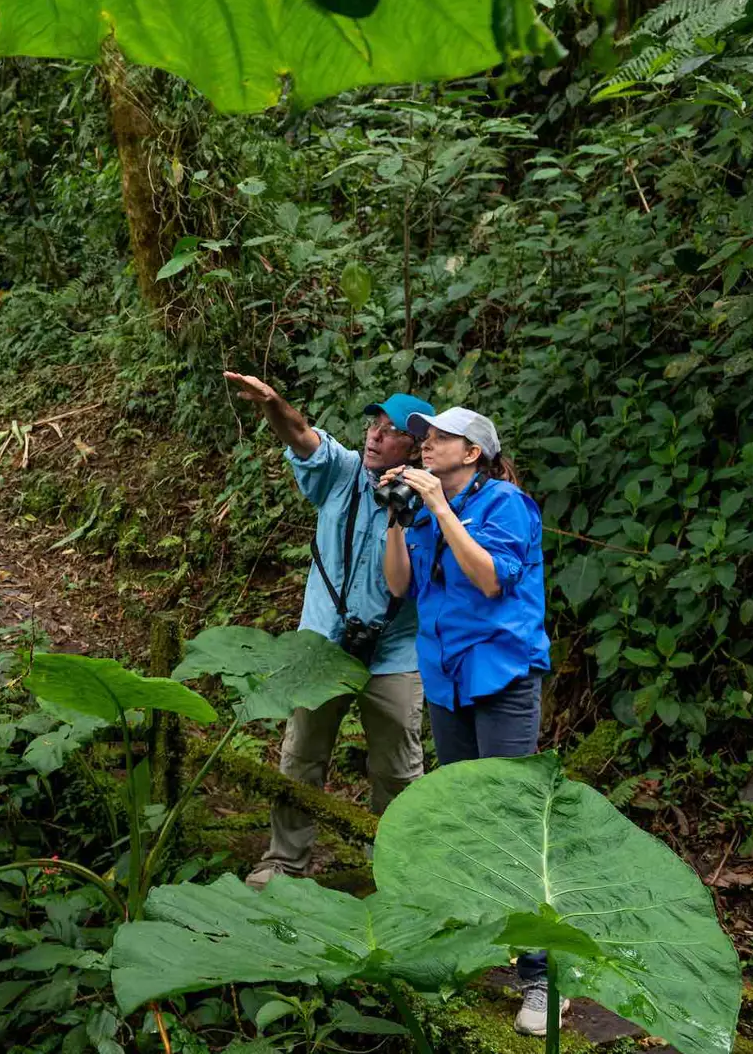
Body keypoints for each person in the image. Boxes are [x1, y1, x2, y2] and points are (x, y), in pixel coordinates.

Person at [378, 406, 557, 1037]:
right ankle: (482, 950)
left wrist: (442, 510)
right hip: (448, 680)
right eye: (425, 438)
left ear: (472, 453)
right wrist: (399, 520)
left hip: (502, 680)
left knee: (510, 822)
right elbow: (398, 586)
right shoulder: (425, 506)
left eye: (439, 438)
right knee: (463, 818)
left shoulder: (507, 505)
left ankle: (542, 977)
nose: (425, 445)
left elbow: (489, 579)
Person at [222, 371, 434, 891]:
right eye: (373, 425)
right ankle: (284, 861)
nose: (374, 435)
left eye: (389, 430)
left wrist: (407, 508)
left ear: (417, 445)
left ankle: (399, 873)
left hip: (396, 650)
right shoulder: (342, 473)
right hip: (323, 639)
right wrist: (273, 403)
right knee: (301, 755)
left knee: (399, 770)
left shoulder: (434, 500)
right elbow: (301, 435)